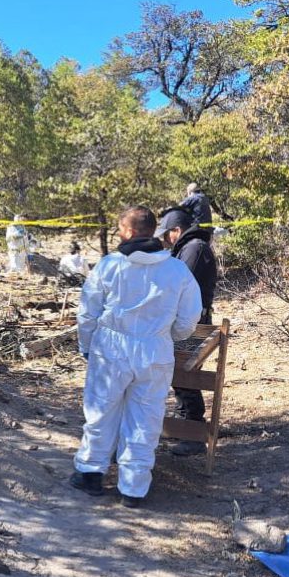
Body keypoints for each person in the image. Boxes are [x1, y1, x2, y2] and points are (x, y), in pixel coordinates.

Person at [70, 205, 202, 508]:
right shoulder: (176, 270)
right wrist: (166, 337)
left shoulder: (109, 266)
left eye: (120, 228)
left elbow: (87, 314)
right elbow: (189, 318)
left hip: (111, 349)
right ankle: (133, 487)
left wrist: (87, 346)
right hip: (154, 351)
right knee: (146, 417)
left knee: (101, 411)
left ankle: (90, 473)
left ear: (128, 231)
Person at [156, 207, 218, 456]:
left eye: (167, 234)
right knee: (181, 376)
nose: (165, 239)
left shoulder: (193, 248)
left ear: (176, 230)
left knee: (185, 375)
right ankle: (185, 427)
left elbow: (181, 286)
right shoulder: (191, 247)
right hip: (190, 321)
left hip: (193, 323)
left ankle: (193, 434)